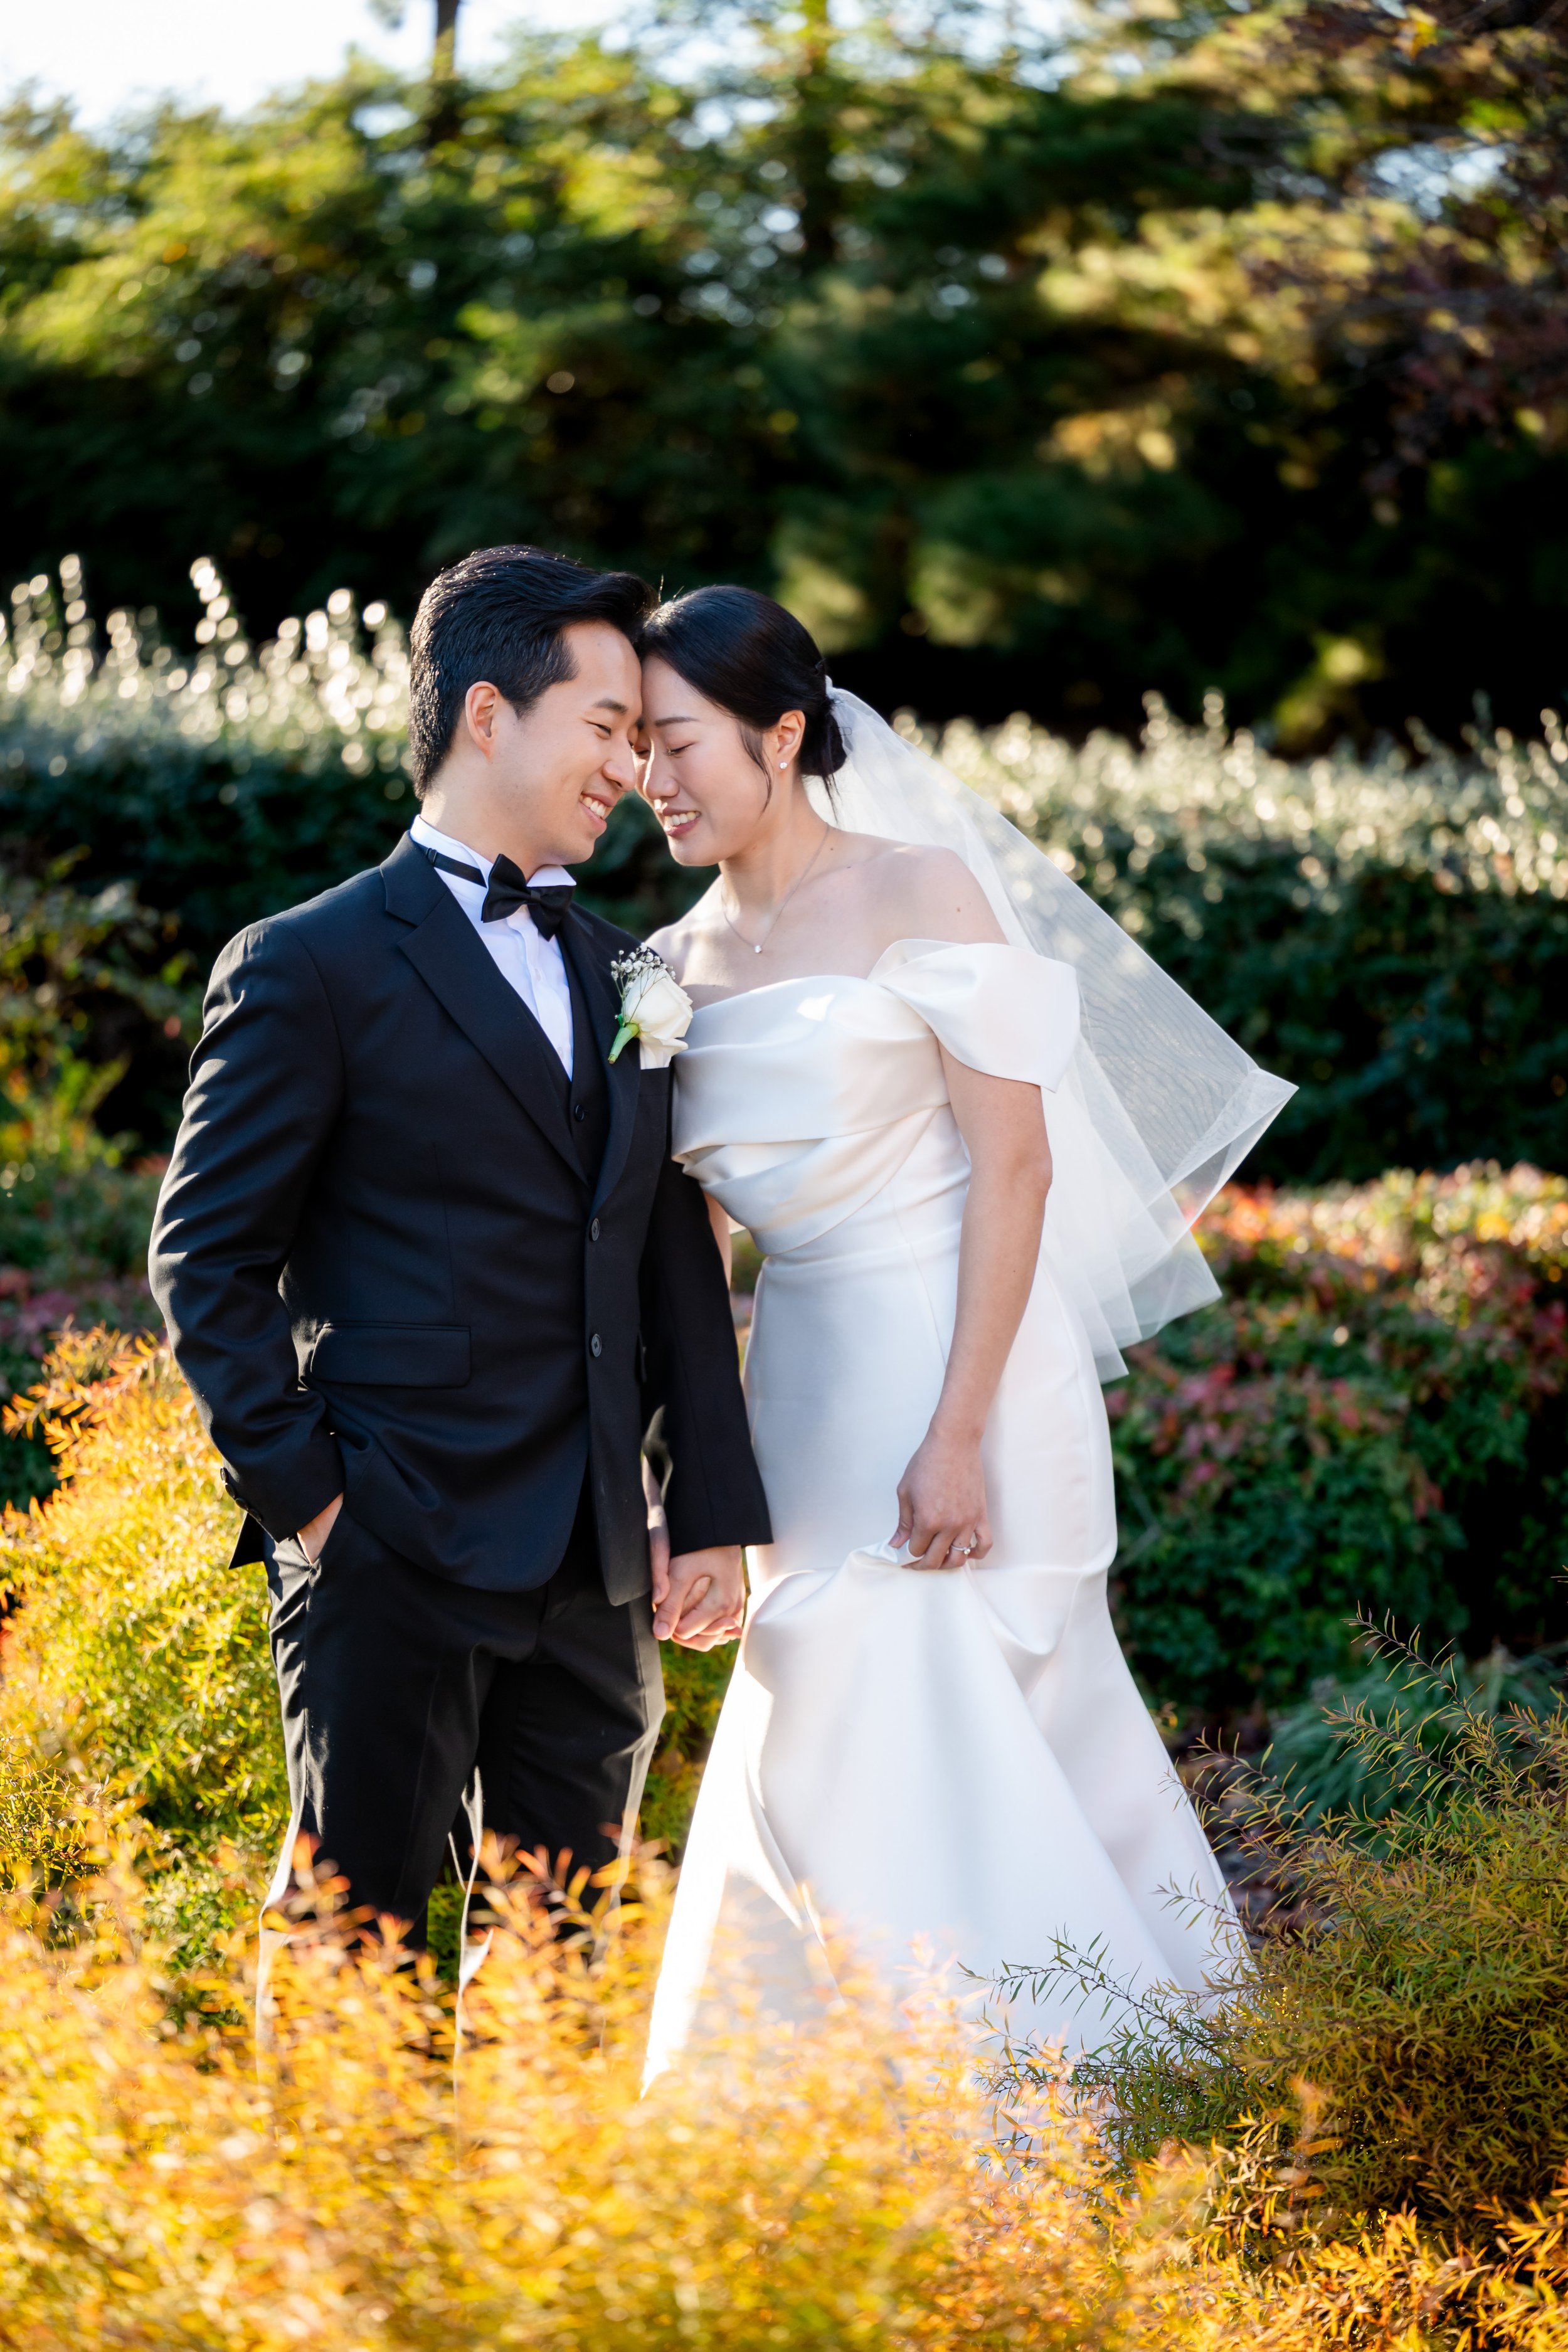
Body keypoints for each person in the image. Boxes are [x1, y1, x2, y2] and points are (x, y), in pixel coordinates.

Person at [632, 585, 1295, 2075]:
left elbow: (1017, 1163)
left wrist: (952, 1436)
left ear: (782, 734)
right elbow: (699, 1248)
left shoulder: (917, 890)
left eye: (679, 743)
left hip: (963, 1362)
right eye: (638, 747)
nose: (650, 781)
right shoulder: (665, 968)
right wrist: (699, 1489)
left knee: (956, 1706)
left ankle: (1049, 2093)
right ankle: (835, 2115)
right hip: (798, 1377)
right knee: (815, 1707)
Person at [149, 546, 771, 1950]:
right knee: (348, 1942)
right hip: (391, 1541)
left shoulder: (632, 973)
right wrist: (315, 1509)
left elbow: (671, 1257)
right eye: (605, 728)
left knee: (564, 1959)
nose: (629, 766)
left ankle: (516, 2185)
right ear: (488, 716)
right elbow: (205, 1259)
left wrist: (710, 1511)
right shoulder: (308, 963)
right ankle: (315, 2185)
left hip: (596, 1567)